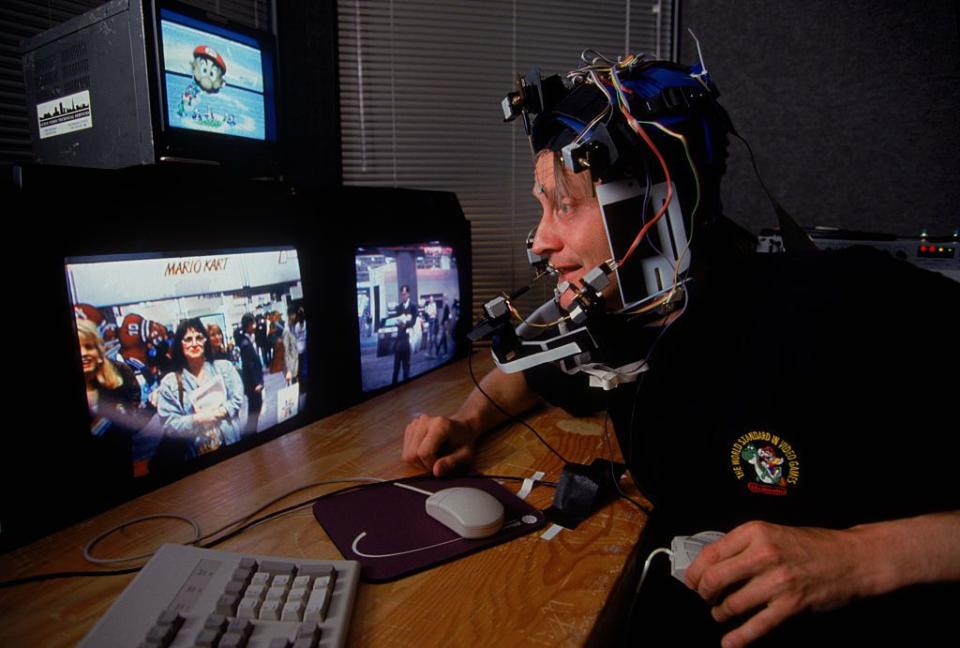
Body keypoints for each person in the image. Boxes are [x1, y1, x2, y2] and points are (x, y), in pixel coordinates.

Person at [402, 53, 959, 645]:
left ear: (652, 201)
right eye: (544, 207)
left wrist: (857, 558)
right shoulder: (619, 320)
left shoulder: (848, 305)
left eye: (564, 205)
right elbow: (533, 367)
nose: (540, 241)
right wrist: (468, 420)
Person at [154, 318, 244, 469]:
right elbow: (169, 425)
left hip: (231, 447)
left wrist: (221, 412)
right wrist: (197, 419)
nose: (194, 343)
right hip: (196, 458)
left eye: (199, 337)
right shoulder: (169, 383)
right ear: (179, 344)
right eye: (188, 339)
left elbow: (237, 397)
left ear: (205, 341)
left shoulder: (225, 368)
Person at [77, 318, 142, 478]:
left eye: (89, 347)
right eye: (78, 347)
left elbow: (129, 426)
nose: (84, 353)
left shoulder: (121, 379)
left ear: (99, 350)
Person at [237, 312, 265, 435]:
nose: (255, 325)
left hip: (253, 383)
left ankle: (252, 431)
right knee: (255, 408)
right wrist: (257, 383)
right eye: (253, 323)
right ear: (248, 325)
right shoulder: (245, 343)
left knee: (255, 407)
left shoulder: (247, 339)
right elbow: (250, 365)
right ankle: (251, 433)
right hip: (253, 384)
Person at [392, 284, 418, 384]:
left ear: (408, 294)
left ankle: (406, 387)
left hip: (408, 339)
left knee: (406, 367)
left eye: (405, 294)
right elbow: (396, 320)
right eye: (402, 294)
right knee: (396, 367)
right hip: (399, 340)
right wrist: (398, 323)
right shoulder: (398, 307)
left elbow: (414, 321)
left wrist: (406, 324)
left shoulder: (413, 306)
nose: (403, 296)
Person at [283, 305, 299, 386]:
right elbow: (286, 352)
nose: (295, 317)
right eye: (294, 315)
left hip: (297, 366)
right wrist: (288, 370)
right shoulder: (287, 331)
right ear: (289, 315)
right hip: (292, 369)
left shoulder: (295, 327)